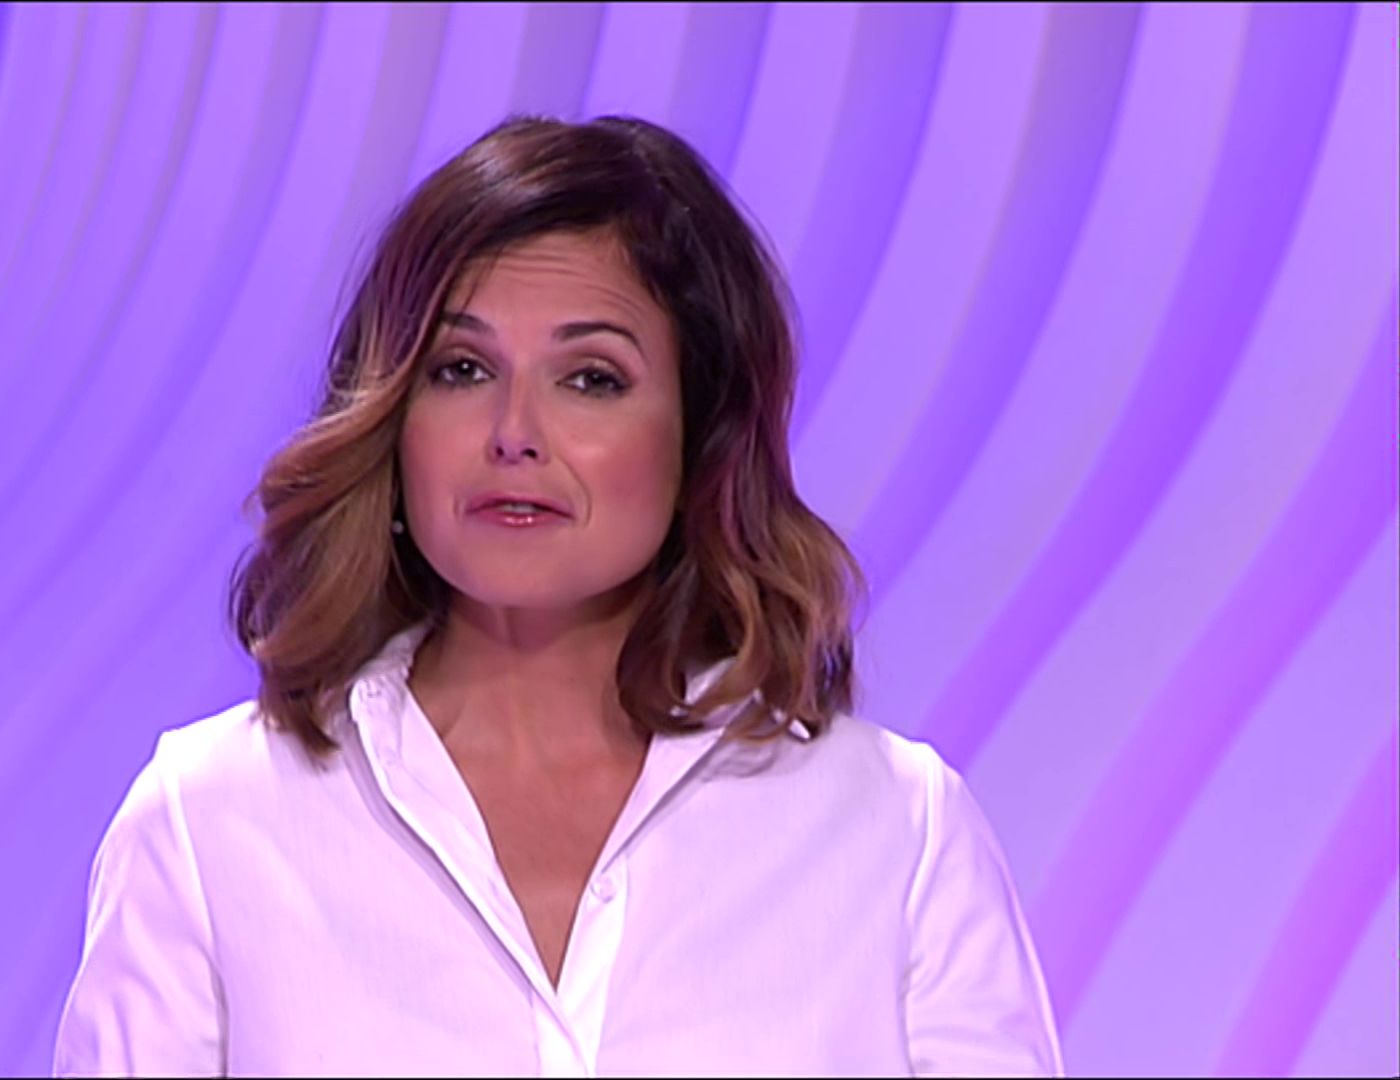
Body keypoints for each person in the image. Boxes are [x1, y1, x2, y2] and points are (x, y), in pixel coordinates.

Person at [54, 115, 1063, 1078]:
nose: (514, 435)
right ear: (392, 421)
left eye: (591, 379)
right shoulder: (212, 821)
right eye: (460, 369)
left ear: (699, 437)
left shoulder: (896, 832)